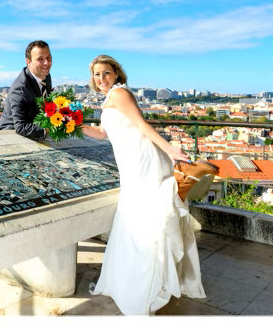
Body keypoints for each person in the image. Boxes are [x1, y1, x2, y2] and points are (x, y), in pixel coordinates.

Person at [81, 54, 205, 315]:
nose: (101, 78)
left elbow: (140, 124)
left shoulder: (120, 94)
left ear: (116, 74)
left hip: (142, 159)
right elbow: (104, 134)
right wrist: (74, 125)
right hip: (130, 162)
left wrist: (170, 150)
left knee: (143, 216)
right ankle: (137, 277)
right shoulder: (110, 98)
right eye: (97, 74)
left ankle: (149, 280)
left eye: (106, 73)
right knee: (135, 216)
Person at [0, 40, 52, 139]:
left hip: (33, 131)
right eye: (40, 59)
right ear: (28, 62)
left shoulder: (46, 76)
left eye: (48, 58)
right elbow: (20, 127)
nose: (46, 63)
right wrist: (50, 127)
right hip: (9, 136)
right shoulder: (20, 89)